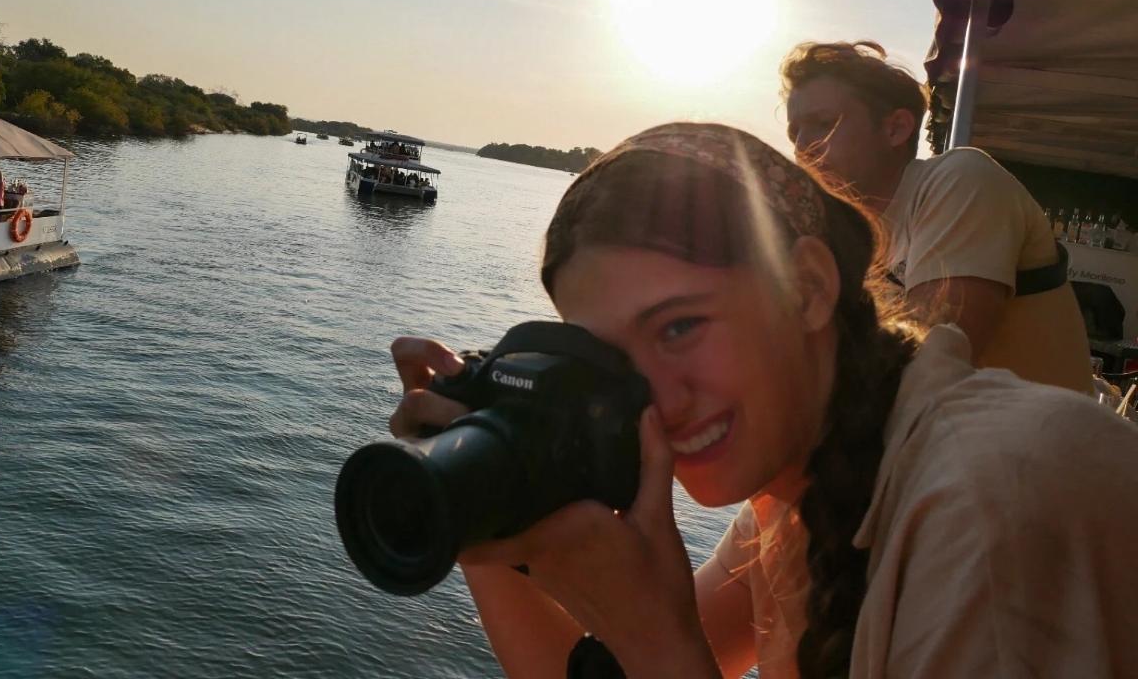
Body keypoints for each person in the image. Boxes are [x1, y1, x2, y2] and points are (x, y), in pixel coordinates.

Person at [388, 123, 1138, 678]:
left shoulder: (990, 494)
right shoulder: (798, 503)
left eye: (680, 327)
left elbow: (659, 658)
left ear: (808, 288)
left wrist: (657, 640)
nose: (657, 400)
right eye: (613, 361)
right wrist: (482, 507)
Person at [781, 40, 1092, 394]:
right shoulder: (852, 242)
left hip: (1038, 430)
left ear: (896, 128)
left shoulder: (960, 180)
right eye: (794, 133)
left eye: (823, 124)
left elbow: (923, 367)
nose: (801, 148)